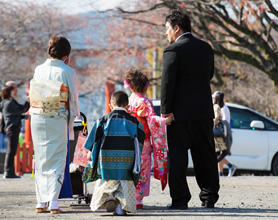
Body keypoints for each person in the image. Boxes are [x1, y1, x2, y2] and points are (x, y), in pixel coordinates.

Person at [160, 9, 219, 209]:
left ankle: (180, 199)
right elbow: (209, 75)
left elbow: (167, 84)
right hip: (203, 111)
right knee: (206, 156)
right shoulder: (206, 48)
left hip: (179, 114)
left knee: (178, 157)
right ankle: (209, 197)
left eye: (167, 29)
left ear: (176, 29)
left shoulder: (172, 50)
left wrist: (165, 111)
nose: (166, 33)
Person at [29, 36, 79, 214]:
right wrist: (72, 119)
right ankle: (53, 202)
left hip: (36, 115)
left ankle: (40, 201)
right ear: (67, 55)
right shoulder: (68, 71)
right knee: (57, 157)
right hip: (57, 116)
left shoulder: (38, 69)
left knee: (41, 158)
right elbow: (72, 100)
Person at [83, 91, 146, 215]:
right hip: (126, 161)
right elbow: (140, 140)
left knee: (107, 182)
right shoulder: (134, 122)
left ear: (110, 105)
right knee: (124, 185)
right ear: (127, 107)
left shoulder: (102, 121)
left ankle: (109, 197)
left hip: (106, 161)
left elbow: (94, 141)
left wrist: (91, 154)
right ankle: (120, 209)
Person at [124, 69, 172, 209]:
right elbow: (151, 120)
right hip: (142, 141)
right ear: (145, 86)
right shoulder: (144, 101)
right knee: (142, 168)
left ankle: (128, 196)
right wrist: (165, 121)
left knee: (130, 167)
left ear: (130, 86)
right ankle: (138, 200)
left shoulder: (128, 100)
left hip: (129, 140)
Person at [1, 83, 29, 179]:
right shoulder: (9, 103)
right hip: (12, 128)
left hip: (12, 127)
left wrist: (24, 116)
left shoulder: (9, 102)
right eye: (13, 89)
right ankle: (8, 172)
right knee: (11, 151)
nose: (15, 91)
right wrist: (28, 102)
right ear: (9, 91)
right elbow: (21, 110)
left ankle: (10, 171)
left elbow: (16, 114)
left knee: (12, 151)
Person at [212, 91, 236, 177]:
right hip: (219, 133)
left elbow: (225, 121)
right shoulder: (219, 107)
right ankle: (221, 172)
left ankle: (223, 170)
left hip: (221, 133)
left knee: (220, 152)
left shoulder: (223, 108)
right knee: (219, 152)